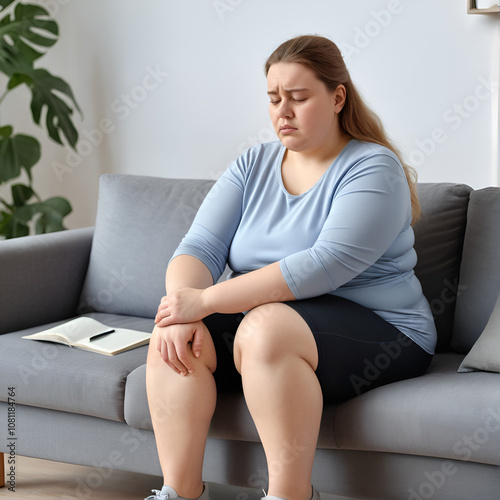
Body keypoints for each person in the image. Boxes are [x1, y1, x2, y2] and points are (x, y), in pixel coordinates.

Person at [145, 35, 437, 500]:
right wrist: (184, 310)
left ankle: (289, 495)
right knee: (172, 338)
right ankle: (177, 494)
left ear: (337, 97)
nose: (283, 111)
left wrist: (204, 301)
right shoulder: (252, 164)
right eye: (274, 99)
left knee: (267, 327)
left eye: (299, 98)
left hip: (383, 329)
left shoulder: (373, 168)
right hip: (277, 320)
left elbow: (322, 266)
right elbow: (199, 246)